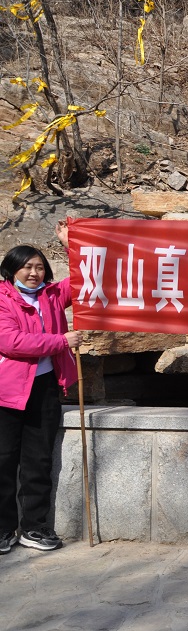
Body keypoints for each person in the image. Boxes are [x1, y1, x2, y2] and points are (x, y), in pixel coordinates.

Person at [0, 221, 81, 555]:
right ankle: (3, 529)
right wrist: (61, 341)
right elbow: (11, 341)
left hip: (44, 387)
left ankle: (34, 527)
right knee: (3, 460)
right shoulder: (2, 299)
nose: (34, 273)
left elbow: (83, 280)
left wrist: (70, 244)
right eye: (27, 267)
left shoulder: (52, 295)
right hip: (6, 391)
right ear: (11, 270)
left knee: (38, 460)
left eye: (39, 267)